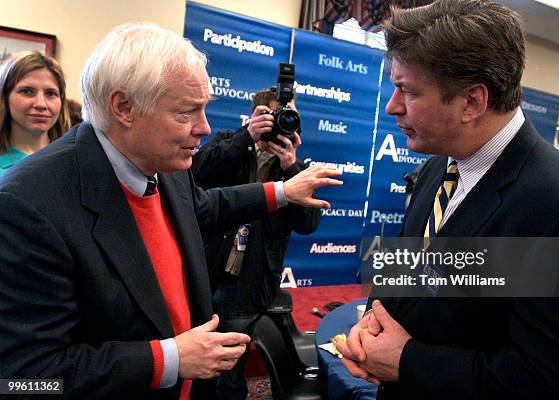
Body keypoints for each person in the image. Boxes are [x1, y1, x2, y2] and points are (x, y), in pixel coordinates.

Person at [0, 22, 342, 399]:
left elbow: (205, 208)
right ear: (124, 107)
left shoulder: (165, 164)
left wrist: (283, 191)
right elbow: (24, 379)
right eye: (186, 112)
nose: (205, 128)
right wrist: (168, 360)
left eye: (204, 109)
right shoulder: (27, 205)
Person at [336, 1, 559, 399]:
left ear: (472, 102)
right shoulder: (438, 167)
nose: (392, 106)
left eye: (407, 91)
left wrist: (408, 361)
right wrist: (373, 327)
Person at [190, 88, 320, 399]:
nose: (278, 124)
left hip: (250, 281)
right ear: (255, 115)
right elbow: (196, 174)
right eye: (271, 115)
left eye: (286, 116)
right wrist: (245, 138)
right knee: (198, 361)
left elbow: (307, 224)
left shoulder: (293, 168)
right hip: (207, 271)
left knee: (230, 368)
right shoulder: (229, 141)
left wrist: (291, 166)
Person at [0, 50, 70, 176]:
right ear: (5, 97)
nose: (41, 104)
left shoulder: (74, 161)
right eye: (27, 91)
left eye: (50, 93)